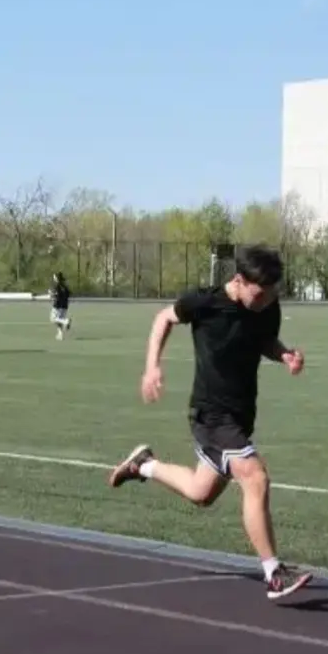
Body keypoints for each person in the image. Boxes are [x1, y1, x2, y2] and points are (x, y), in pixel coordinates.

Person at [107, 246, 311, 601]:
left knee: (201, 493)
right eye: (259, 294)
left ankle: (144, 465)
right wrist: (152, 367)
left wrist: (284, 354)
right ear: (238, 280)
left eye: (271, 295)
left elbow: (263, 340)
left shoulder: (267, 305)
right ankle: (274, 573)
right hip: (211, 414)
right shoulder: (204, 302)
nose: (265, 301)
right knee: (255, 477)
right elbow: (163, 319)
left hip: (240, 414)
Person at [48, 271, 72, 339]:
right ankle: (60, 334)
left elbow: (53, 294)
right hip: (65, 306)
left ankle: (66, 321)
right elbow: (69, 294)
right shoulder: (64, 286)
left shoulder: (56, 285)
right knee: (59, 320)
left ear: (56, 278)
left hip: (57, 305)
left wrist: (51, 294)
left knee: (53, 319)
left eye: (54, 277)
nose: (53, 278)